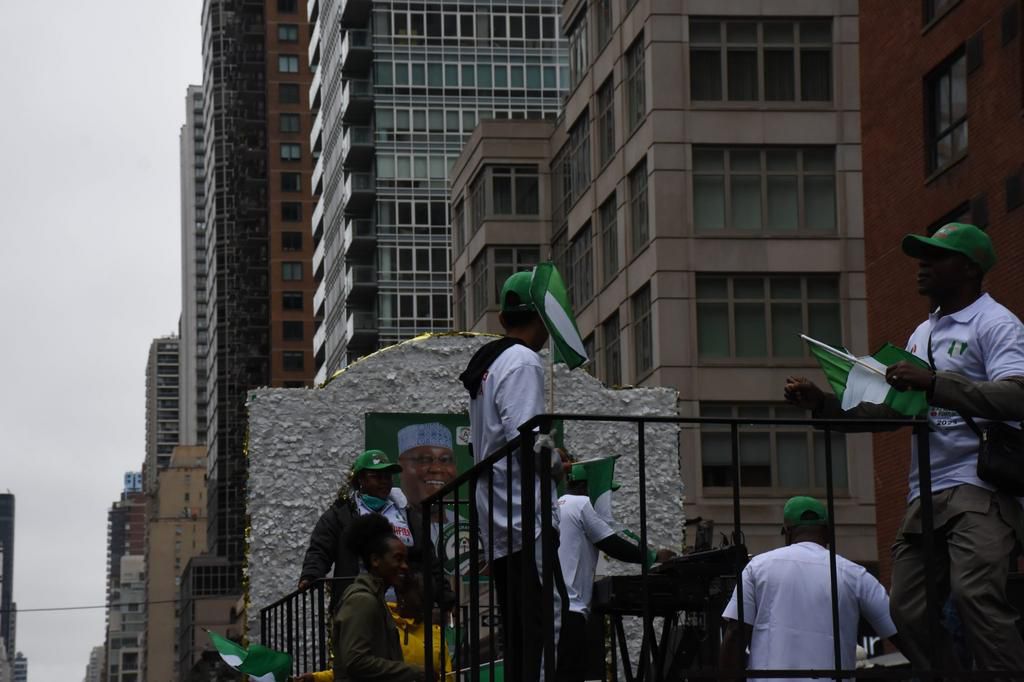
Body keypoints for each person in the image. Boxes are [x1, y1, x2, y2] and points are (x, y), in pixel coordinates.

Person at [784, 223, 1024, 673]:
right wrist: (824, 406)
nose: (922, 266)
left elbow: (1017, 394)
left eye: (936, 257)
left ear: (970, 268)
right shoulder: (922, 332)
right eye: (921, 256)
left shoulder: (996, 323)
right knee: (906, 610)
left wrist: (936, 383)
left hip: (980, 488)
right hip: (925, 495)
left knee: (976, 595)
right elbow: (894, 413)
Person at [458, 269, 567, 681]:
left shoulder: (490, 363)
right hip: (526, 514)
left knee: (519, 625)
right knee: (547, 618)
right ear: (543, 316)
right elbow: (532, 440)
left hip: (499, 512)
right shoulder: (523, 360)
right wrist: (557, 466)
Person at [719, 496, 900, 681]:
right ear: (828, 533)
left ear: (787, 532)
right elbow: (899, 629)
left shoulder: (758, 567)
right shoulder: (854, 574)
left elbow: (735, 633)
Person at [297, 449, 453, 616]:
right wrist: (311, 575)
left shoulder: (405, 512)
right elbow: (321, 548)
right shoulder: (341, 514)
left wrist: (446, 597)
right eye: (376, 476)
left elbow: (429, 558)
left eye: (387, 476)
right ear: (361, 479)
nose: (384, 481)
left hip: (405, 610)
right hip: (359, 608)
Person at [556, 465, 675, 682]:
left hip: (554, 606)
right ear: (588, 487)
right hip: (570, 609)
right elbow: (612, 544)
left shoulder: (558, 506)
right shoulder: (580, 503)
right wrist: (653, 556)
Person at [332, 513, 426, 682]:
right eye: (398, 559)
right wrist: (413, 671)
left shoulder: (375, 598)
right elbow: (356, 661)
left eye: (406, 560)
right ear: (375, 560)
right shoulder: (363, 600)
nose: (405, 566)